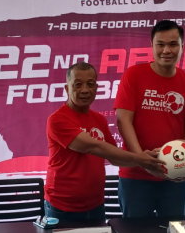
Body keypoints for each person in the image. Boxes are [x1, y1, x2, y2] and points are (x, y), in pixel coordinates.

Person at [44, 62, 165, 220]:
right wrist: (139, 158)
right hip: (63, 208)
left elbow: (114, 158)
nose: (85, 90)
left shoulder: (99, 119)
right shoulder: (58, 119)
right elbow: (92, 146)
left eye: (90, 84)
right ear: (67, 88)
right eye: (78, 85)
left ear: (96, 88)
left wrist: (144, 158)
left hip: (96, 205)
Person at [114, 20, 185, 218]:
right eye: (160, 44)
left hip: (175, 178)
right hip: (135, 176)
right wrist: (142, 160)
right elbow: (123, 121)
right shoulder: (133, 75)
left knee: (175, 229)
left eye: (173, 44)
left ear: (182, 46)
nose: (166, 50)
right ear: (152, 46)